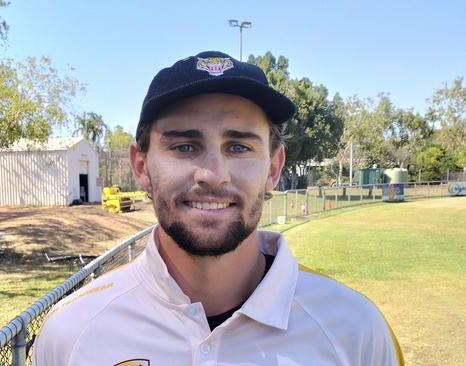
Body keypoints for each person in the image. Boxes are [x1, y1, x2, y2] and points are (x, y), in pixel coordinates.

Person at [33, 51, 404, 365]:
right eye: (184, 146)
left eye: (239, 147)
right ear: (141, 166)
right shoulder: (71, 332)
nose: (213, 175)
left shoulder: (355, 330)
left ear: (273, 168)